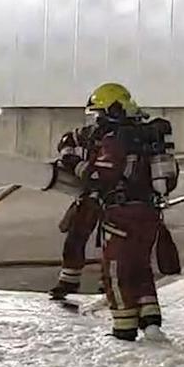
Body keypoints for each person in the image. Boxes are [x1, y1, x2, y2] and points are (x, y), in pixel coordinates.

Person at [74, 83, 179, 341]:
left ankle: (124, 328)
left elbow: (101, 175)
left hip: (122, 216)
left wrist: (76, 165)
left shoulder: (115, 140)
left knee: (116, 272)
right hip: (149, 214)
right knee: (140, 269)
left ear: (112, 109)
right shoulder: (148, 136)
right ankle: (151, 322)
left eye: (98, 113)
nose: (96, 120)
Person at [50, 123, 102, 301]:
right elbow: (68, 139)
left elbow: (108, 172)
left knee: (111, 244)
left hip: (116, 197)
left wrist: (79, 166)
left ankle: (109, 282)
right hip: (90, 195)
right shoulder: (92, 132)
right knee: (75, 237)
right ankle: (68, 282)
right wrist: (67, 156)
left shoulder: (127, 137)